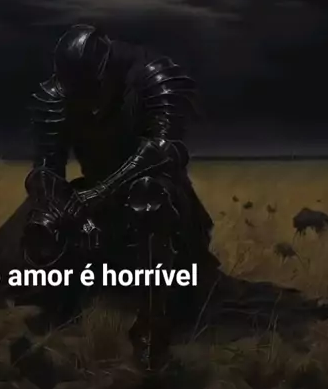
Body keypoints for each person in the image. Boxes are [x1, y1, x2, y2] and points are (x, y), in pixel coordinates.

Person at [21, 24, 219, 304]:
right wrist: (71, 211)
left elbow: (164, 150)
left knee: (148, 196)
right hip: (90, 192)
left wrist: (100, 194)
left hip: (154, 190)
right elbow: (45, 169)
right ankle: (60, 302)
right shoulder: (60, 92)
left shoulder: (152, 75)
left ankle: (157, 310)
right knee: (45, 217)